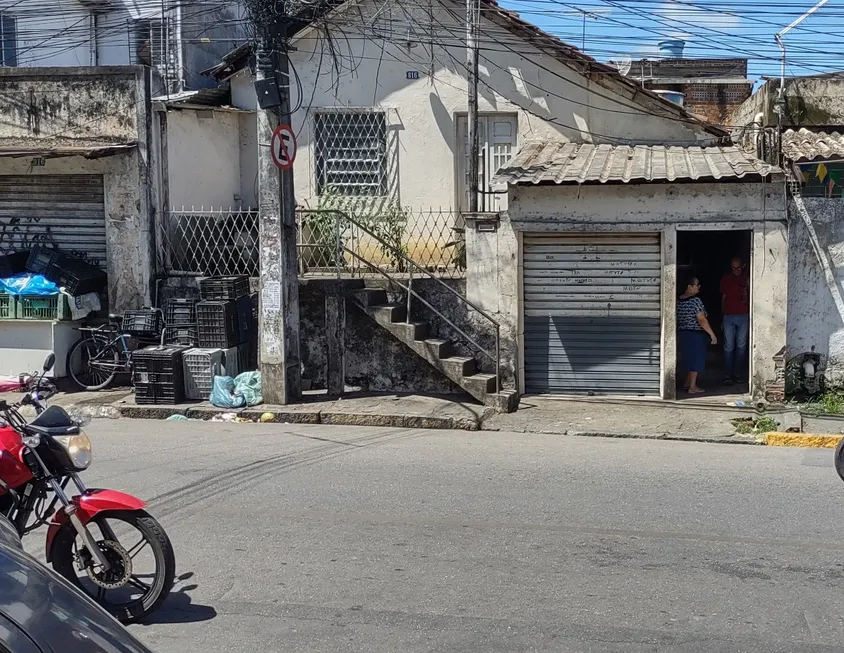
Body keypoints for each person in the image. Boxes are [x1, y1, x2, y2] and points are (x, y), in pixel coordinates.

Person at [677, 275, 718, 394]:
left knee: (688, 359)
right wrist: (712, 334)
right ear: (689, 287)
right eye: (697, 285)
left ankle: (687, 383)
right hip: (695, 334)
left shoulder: (678, 300)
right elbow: (702, 320)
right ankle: (692, 387)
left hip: (683, 333)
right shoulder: (695, 301)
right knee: (695, 361)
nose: (699, 287)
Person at [720, 256, 750, 385]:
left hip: (744, 315)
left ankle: (738, 375)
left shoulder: (748, 278)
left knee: (741, 347)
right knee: (728, 347)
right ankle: (727, 375)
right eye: (733, 268)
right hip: (729, 316)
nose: (736, 270)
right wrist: (723, 316)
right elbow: (723, 298)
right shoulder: (726, 278)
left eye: (738, 268)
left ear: (742, 266)